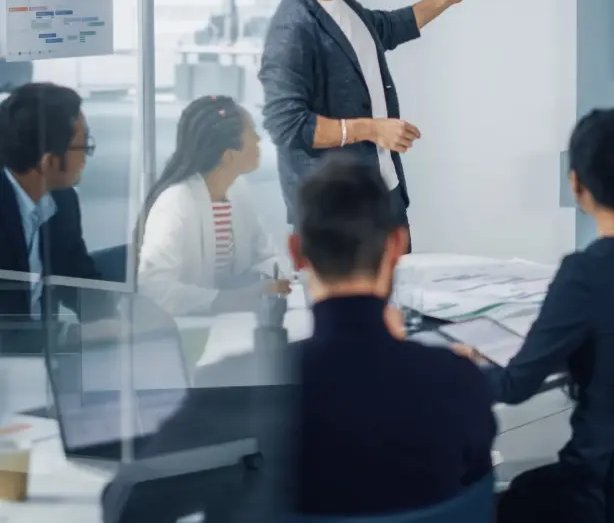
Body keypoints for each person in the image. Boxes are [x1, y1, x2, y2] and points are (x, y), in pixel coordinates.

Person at [111, 153, 495, 522]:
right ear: (396, 246)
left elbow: (127, 506)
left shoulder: (239, 390)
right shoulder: (459, 384)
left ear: (296, 252)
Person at [462, 109, 614, 523]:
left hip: (608, 487)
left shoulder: (587, 272)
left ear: (577, 183)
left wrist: (462, 365)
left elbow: (513, 385)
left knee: (505, 503)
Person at [259, 0, 492, 239]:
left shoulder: (341, 1)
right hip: (338, 218)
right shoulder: (293, 27)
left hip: (383, 194)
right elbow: (287, 125)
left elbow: (384, 28)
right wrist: (372, 128)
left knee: (400, 294)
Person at [136, 95, 291, 317]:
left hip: (232, 323)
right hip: (184, 332)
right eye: (252, 134)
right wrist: (230, 299)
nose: (258, 139)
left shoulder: (238, 190)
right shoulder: (175, 202)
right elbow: (154, 288)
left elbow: (269, 257)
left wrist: (261, 281)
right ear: (228, 155)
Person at [0, 83, 105, 346]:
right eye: (83, 147)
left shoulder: (62, 200)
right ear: (48, 163)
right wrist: (69, 335)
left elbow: (78, 277)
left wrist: (119, 318)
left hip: (45, 363)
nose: (86, 158)